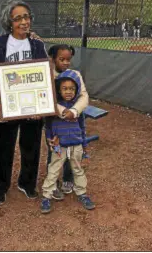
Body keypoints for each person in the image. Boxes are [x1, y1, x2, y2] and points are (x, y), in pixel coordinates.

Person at [0, 0, 48, 205]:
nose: (24, 22)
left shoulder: (37, 43)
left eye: (26, 17)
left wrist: (43, 105)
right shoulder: (0, 44)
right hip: (9, 105)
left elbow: (43, 75)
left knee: (31, 146)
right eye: (18, 18)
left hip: (32, 105)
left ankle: (27, 183)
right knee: (4, 147)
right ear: (9, 22)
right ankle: (1, 186)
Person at [41, 70, 95, 213]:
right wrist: (50, 139)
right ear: (59, 90)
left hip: (76, 145)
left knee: (77, 169)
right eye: (65, 89)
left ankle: (82, 193)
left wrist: (84, 145)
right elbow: (48, 126)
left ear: (76, 90)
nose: (69, 92)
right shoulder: (56, 108)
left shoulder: (77, 109)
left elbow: (82, 128)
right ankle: (46, 196)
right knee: (53, 170)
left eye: (72, 89)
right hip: (60, 146)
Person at [46, 44, 89, 201]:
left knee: (72, 148)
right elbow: (46, 97)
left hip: (74, 119)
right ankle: (53, 183)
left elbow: (84, 96)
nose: (65, 63)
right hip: (54, 119)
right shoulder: (48, 74)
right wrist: (64, 111)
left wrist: (74, 111)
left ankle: (68, 179)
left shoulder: (75, 74)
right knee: (55, 149)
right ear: (53, 59)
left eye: (68, 60)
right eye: (61, 59)